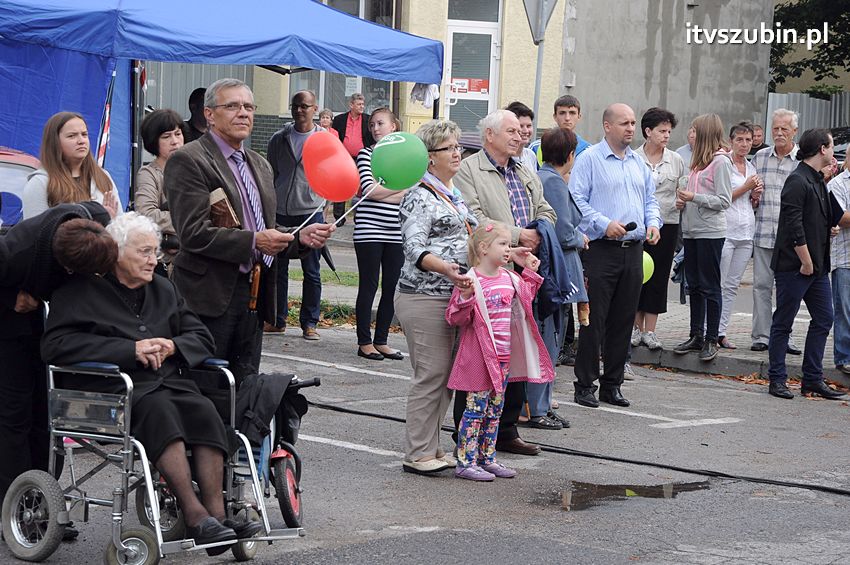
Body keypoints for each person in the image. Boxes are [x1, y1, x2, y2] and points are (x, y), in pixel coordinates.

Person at [42, 213, 263, 549]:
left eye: (155, 252)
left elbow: (201, 337)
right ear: (116, 251)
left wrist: (174, 345)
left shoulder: (162, 287)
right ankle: (194, 515)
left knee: (203, 410)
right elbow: (55, 346)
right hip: (115, 388)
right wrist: (129, 350)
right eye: (144, 252)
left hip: (168, 382)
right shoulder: (80, 291)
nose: (153, 260)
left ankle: (217, 519)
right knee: (160, 410)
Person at [165, 78, 334, 385]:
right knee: (206, 389)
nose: (243, 113)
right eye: (232, 106)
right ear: (209, 114)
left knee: (244, 390)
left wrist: (299, 238)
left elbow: (264, 229)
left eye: (248, 106)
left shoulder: (259, 163)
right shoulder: (189, 160)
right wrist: (256, 240)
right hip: (209, 299)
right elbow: (192, 233)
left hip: (254, 296)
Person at [0, 202, 110, 539]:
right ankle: (18, 511)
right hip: (8, 328)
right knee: (13, 420)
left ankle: (43, 505)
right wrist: (11, 300)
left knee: (46, 420)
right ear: (63, 265)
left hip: (46, 330)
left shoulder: (92, 219)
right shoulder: (12, 253)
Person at [454, 109, 557, 456]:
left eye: (520, 131)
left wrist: (540, 228)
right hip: (488, 271)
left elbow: (545, 208)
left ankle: (507, 429)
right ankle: (466, 435)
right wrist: (517, 235)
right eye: (511, 131)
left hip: (518, 273)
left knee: (515, 349)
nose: (519, 136)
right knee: (482, 354)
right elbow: (471, 216)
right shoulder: (470, 170)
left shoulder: (524, 170)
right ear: (489, 136)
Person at [395, 119, 477, 475]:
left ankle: (431, 446)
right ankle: (417, 452)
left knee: (444, 376)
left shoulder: (451, 193)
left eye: (459, 146)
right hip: (423, 296)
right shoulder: (420, 196)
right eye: (450, 148)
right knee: (430, 375)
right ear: (430, 158)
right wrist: (446, 269)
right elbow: (414, 249)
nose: (458, 153)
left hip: (450, 296)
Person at [569, 103, 661, 408]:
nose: (631, 129)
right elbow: (577, 200)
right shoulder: (590, 159)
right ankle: (585, 384)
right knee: (593, 320)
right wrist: (603, 223)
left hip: (634, 251)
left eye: (633, 123)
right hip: (601, 250)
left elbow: (651, 199)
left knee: (623, 320)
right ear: (607, 126)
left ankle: (613, 383)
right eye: (624, 123)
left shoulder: (638, 162)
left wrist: (654, 223)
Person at [446, 222, 551, 481]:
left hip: (504, 357)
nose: (508, 250)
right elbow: (454, 317)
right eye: (502, 244)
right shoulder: (470, 279)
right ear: (483, 248)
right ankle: (465, 461)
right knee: (474, 410)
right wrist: (466, 296)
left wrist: (529, 274)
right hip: (479, 358)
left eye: (508, 244)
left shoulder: (510, 278)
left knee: (495, 410)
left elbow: (525, 301)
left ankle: (487, 457)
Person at [766, 129, 844, 400]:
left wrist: (827, 229)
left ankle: (812, 379)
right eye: (832, 146)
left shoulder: (818, 180)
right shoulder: (797, 180)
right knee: (783, 323)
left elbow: (824, 216)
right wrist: (806, 261)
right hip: (795, 266)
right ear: (822, 149)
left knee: (824, 319)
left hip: (818, 267)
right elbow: (793, 224)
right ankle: (776, 379)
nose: (834, 152)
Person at [537, 127, 588, 426]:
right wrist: (580, 238)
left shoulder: (544, 177)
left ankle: (540, 403)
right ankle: (540, 406)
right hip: (560, 268)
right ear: (570, 155)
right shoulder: (553, 181)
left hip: (555, 266)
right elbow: (561, 229)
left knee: (551, 337)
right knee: (551, 339)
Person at [266, 90, 326, 339]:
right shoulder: (279, 138)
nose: (300, 110)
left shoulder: (325, 139)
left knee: (311, 271)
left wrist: (323, 204)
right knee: (278, 269)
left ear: (315, 109)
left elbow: (333, 173)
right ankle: (277, 319)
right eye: (296, 106)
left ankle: (309, 323)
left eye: (305, 106)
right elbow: (272, 172)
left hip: (310, 211)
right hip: (281, 211)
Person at [673, 114, 732, 361]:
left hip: (710, 232)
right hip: (692, 231)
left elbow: (724, 200)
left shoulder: (721, 162)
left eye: (696, 130)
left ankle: (711, 338)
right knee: (694, 285)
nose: (692, 135)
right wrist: (682, 202)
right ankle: (696, 334)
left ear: (706, 133)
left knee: (710, 285)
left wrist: (693, 198)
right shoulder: (698, 162)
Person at [353, 108, 406, 361]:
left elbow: (414, 189)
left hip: (397, 232)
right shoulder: (366, 154)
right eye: (372, 124)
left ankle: (381, 340)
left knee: (391, 287)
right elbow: (369, 190)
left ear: (394, 126)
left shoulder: (406, 157)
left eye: (380, 123)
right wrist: (398, 188)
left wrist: (383, 188)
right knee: (369, 285)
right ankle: (364, 342)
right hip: (369, 231)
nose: (375, 128)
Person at [632, 108, 686, 351]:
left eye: (669, 131)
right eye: (662, 131)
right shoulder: (632, 158)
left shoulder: (676, 160)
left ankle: (650, 331)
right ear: (648, 131)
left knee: (659, 277)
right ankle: (633, 328)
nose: (666, 135)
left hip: (667, 225)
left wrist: (682, 199)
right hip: (639, 226)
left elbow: (682, 188)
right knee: (635, 276)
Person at [751, 109, 802, 354]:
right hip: (762, 232)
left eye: (784, 129)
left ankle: (784, 336)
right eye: (775, 129)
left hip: (791, 238)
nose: (779, 133)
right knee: (761, 286)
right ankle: (761, 336)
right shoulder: (759, 157)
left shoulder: (802, 160)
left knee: (788, 291)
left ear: (795, 131)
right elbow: (751, 194)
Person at [22, 111, 122, 220]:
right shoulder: (40, 183)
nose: (81, 141)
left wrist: (110, 222)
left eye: (84, 134)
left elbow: (121, 225)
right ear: (55, 142)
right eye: (72, 136)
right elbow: (37, 233)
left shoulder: (103, 176)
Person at [717, 122, 763, 349]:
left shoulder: (752, 167)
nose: (744, 144)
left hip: (746, 232)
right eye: (740, 140)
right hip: (726, 230)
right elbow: (724, 197)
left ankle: (721, 331)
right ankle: (710, 330)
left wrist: (755, 195)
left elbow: (751, 200)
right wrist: (746, 187)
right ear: (731, 141)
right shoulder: (724, 164)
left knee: (733, 285)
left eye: (748, 140)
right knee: (720, 282)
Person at [136, 109, 185, 272]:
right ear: (153, 141)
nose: (175, 141)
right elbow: (146, 213)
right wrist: (191, 221)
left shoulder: (195, 168)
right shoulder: (149, 173)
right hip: (166, 264)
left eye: (178, 134)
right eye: (166, 136)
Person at [331, 93, 375, 224]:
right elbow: (334, 137)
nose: (362, 106)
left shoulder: (368, 120)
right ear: (351, 105)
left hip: (362, 157)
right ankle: (339, 218)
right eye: (359, 104)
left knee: (362, 186)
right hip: (343, 158)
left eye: (363, 104)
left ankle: (359, 216)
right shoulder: (339, 120)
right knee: (341, 186)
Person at [829, 159, 850, 375]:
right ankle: (844, 357)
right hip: (844, 257)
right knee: (844, 309)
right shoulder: (838, 184)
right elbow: (840, 216)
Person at [528, 95, 591, 159]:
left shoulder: (588, 150)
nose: (567, 118)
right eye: (562, 113)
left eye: (572, 113)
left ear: (579, 117)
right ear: (555, 116)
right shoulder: (535, 147)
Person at [505, 101, 538, 171]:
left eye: (529, 126)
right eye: (521, 126)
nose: (526, 131)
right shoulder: (503, 158)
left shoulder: (531, 155)